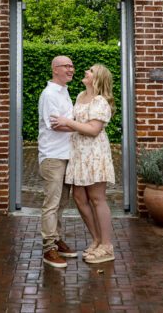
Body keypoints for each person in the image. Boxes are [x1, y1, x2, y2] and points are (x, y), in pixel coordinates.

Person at [51, 63, 116, 264]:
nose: (85, 72)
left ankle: (107, 245)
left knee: (97, 199)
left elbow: (93, 129)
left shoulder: (101, 101)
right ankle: (96, 239)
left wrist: (68, 123)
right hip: (78, 154)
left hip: (95, 154)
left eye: (90, 71)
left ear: (97, 78)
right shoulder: (79, 96)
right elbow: (73, 123)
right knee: (79, 198)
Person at [37, 55, 79, 268]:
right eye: (66, 66)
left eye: (72, 66)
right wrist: (81, 126)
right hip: (53, 156)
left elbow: (66, 122)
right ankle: (48, 249)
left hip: (66, 154)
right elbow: (56, 125)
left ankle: (56, 238)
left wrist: (72, 124)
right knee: (51, 203)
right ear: (55, 69)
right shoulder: (49, 94)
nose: (71, 69)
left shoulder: (64, 92)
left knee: (62, 203)